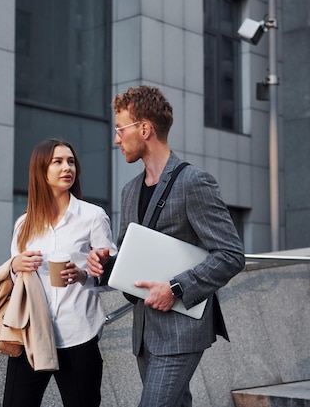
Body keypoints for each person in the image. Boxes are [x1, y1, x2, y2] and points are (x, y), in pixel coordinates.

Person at [87, 85, 245, 407]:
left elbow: (230, 255)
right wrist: (104, 266)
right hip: (145, 333)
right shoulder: (129, 191)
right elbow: (129, 255)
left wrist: (175, 287)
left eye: (120, 129)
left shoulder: (193, 182)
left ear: (144, 128)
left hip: (181, 331)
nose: (116, 139)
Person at [3, 138, 117, 407]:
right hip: (32, 334)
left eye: (71, 161)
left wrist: (84, 275)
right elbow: (15, 279)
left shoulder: (93, 216)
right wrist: (14, 266)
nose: (67, 167)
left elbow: (111, 273)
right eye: (58, 162)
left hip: (78, 333)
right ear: (41, 170)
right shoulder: (24, 224)